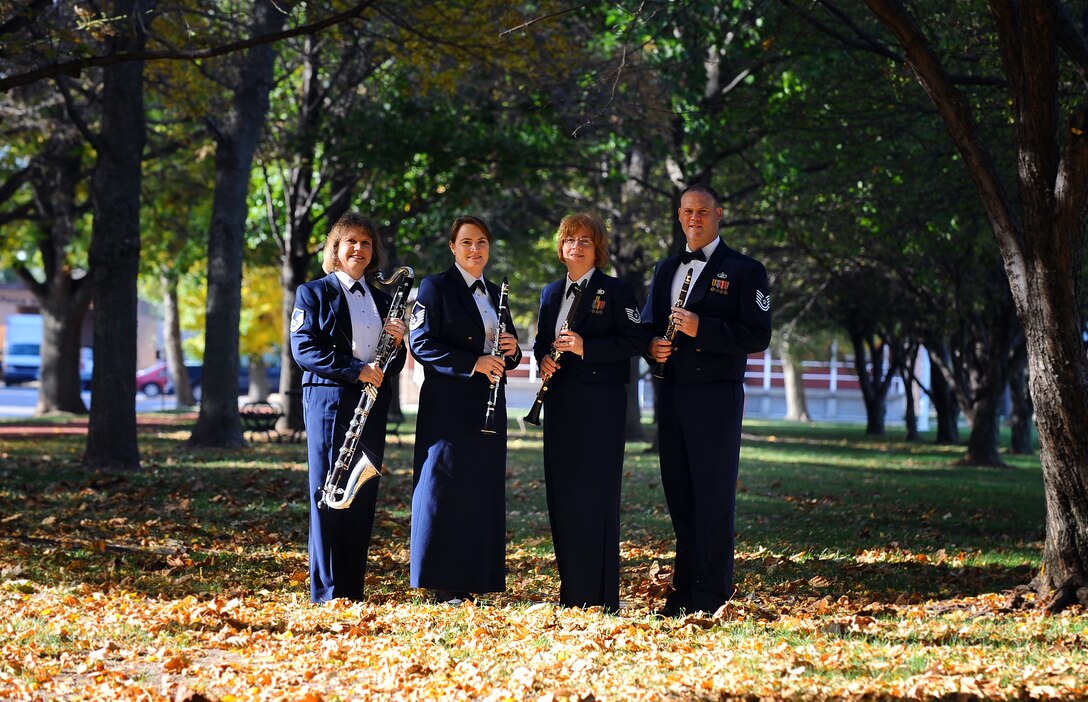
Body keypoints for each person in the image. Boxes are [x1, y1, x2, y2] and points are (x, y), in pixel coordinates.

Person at [641, 184, 772, 616]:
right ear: (679, 216)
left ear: (719, 214)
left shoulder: (746, 270)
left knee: (712, 498)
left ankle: (712, 595)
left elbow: (758, 335)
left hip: (716, 397)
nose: (694, 218)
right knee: (680, 496)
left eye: (702, 211)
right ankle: (683, 593)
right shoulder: (665, 268)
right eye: (687, 212)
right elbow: (647, 326)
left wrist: (702, 329)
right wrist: (652, 345)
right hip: (672, 394)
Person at [290, 211, 407, 604]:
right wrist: (358, 370)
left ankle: (352, 590)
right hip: (329, 400)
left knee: (361, 491)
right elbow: (304, 349)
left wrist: (398, 344)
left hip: (371, 405)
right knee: (329, 490)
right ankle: (326, 592)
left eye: (366, 243)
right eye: (351, 242)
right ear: (336, 249)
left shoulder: (384, 301)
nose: (359, 248)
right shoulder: (313, 293)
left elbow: (391, 365)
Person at [532, 213, 646, 612]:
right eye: (570, 239)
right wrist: (543, 359)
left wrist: (586, 348)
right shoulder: (550, 293)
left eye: (585, 240)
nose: (576, 246)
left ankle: (601, 596)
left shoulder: (617, 290)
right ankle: (573, 592)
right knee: (562, 496)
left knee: (596, 498)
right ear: (561, 248)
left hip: (601, 408)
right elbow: (541, 341)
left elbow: (635, 341)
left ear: (598, 250)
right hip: (560, 406)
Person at [408, 215, 522, 604]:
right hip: (449, 405)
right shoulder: (435, 287)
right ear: (453, 247)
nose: (475, 249)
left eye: (482, 242)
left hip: (489, 403)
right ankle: (444, 583)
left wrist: (512, 350)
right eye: (467, 242)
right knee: (445, 487)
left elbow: (507, 350)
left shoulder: (495, 292)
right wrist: (473, 363)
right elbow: (422, 343)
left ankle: (473, 578)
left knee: (480, 489)